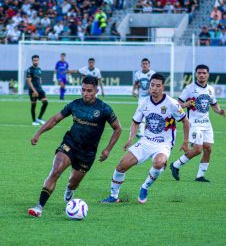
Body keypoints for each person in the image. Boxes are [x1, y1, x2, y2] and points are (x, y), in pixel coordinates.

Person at [28, 76, 122, 217]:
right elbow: (55, 119)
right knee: (55, 171)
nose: (85, 93)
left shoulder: (104, 109)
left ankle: (69, 190)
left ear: (96, 90)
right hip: (70, 144)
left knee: (73, 183)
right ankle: (39, 207)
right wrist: (38, 133)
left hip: (87, 153)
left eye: (89, 90)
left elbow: (118, 128)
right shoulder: (74, 104)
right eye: (83, 90)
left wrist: (108, 149)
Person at [100, 73, 190, 204]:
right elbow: (136, 122)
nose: (154, 88)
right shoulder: (144, 102)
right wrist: (131, 138)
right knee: (121, 166)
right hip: (145, 141)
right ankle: (114, 196)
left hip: (163, 144)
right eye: (152, 85)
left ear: (162, 87)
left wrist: (186, 142)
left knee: (159, 163)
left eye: (157, 86)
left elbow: (186, 122)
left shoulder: (172, 103)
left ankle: (145, 187)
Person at [170, 64, 226, 182]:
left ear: (208, 75)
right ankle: (175, 165)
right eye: (199, 73)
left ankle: (200, 176)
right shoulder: (189, 88)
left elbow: (214, 104)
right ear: (196, 74)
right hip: (193, 124)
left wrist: (219, 111)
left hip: (206, 124)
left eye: (204, 73)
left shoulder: (210, 89)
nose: (201, 75)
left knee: (208, 149)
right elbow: (177, 104)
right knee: (197, 149)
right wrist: (186, 105)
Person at [132, 58, 155, 137]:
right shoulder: (138, 74)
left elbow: (155, 83)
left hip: (151, 97)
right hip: (141, 97)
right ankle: (142, 132)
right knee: (141, 113)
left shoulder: (152, 73)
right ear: (141, 65)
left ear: (149, 65)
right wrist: (134, 91)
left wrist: (151, 89)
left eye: (146, 64)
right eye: (143, 64)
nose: (145, 65)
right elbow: (136, 83)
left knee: (150, 114)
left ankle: (151, 131)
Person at [26, 55, 49, 126]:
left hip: (39, 89)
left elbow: (39, 78)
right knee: (34, 105)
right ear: (32, 61)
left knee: (45, 102)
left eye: (37, 60)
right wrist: (34, 90)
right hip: (33, 90)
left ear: (38, 60)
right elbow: (29, 82)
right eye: (34, 60)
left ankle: (39, 118)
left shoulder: (39, 69)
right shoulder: (30, 70)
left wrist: (40, 83)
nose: (35, 61)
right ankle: (34, 121)